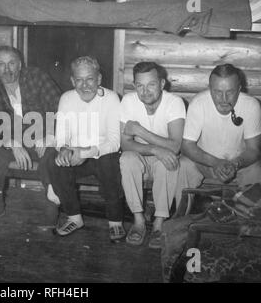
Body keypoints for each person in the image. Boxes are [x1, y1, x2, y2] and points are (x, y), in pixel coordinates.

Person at [46, 56, 125, 242]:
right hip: (76, 154)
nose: (85, 85)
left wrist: (85, 152)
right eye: (79, 80)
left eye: (90, 79)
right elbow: (61, 136)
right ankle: (74, 218)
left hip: (102, 154)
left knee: (109, 161)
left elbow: (115, 142)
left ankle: (115, 221)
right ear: (72, 81)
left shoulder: (112, 98)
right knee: (54, 161)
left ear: (99, 79)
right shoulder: (66, 98)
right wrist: (64, 149)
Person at [0, 45, 62, 223]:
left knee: (52, 153)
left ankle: (52, 198)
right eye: (1, 64)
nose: (7, 69)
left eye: (11, 63)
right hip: (14, 143)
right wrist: (12, 142)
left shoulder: (37, 77)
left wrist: (49, 136)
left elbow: (58, 108)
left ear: (20, 65)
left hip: (41, 138)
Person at [120, 62, 186, 249]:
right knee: (127, 159)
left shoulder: (174, 102)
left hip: (161, 161)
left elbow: (175, 145)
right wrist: (156, 148)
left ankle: (159, 222)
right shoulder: (128, 101)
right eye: (140, 85)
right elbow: (125, 144)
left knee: (170, 160)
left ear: (162, 83)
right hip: (139, 157)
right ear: (134, 86)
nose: (145, 91)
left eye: (151, 84)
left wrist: (140, 131)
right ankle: (138, 220)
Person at [176, 64, 261, 203]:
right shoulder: (198, 103)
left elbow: (254, 149)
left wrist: (235, 164)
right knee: (184, 164)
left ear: (239, 89)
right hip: (206, 165)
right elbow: (186, 146)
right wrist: (215, 163)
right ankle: (182, 212)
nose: (224, 98)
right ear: (210, 90)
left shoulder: (251, 105)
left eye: (230, 92)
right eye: (217, 92)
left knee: (257, 169)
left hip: (240, 166)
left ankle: (250, 219)